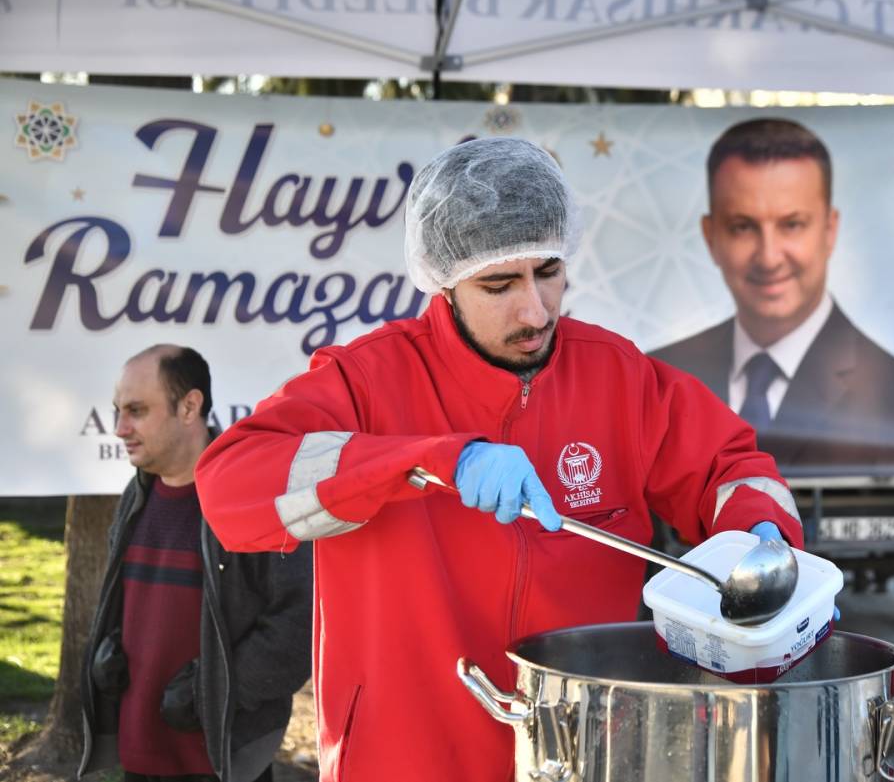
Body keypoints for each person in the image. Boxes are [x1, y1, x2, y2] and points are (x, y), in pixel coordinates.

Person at [193, 137, 806, 782]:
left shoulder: (617, 376)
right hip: (401, 754)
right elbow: (231, 486)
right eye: (498, 283)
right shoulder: (366, 378)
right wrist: (431, 462)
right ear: (445, 281)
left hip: (580, 751)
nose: (534, 310)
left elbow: (731, 467)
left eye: (548, 271)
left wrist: (761, 536)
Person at [651, 118, 894, 476]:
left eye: (792, 225)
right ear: (710, 236)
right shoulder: (655, 383)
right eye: (742, 227)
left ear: (830, 231)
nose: (769, 257)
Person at [80, 345, 313, 782]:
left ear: (189, 407)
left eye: (136, 411)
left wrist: (214, 691)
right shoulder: (136, 497)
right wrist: (108, 649)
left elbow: (300, 622)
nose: (120, 428)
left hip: (223, 763)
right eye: (117, 411)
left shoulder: (254, 495)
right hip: (138, 759)